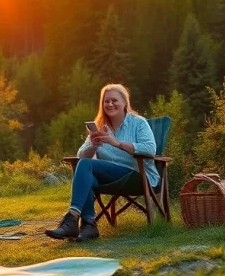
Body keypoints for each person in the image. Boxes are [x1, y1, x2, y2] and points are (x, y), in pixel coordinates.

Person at [46, 83, 159, 242]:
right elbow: (81, 154)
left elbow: (150, 149)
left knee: (86, 165)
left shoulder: (138, 123)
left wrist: (117, 143)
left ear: (124, 103)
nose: (110, 104)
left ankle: (72, 218)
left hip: (137, 176)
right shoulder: (99, 126)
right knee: (86, 171)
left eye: (114, 100)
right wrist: (93, 145)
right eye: (106, 101)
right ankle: (89, 225)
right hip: (109, 177)